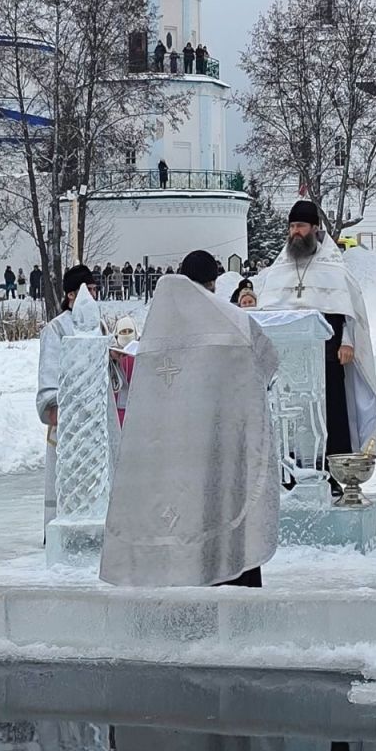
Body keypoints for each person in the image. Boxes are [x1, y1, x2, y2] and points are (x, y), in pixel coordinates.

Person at [99, 250, 280, 588]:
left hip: (169, 449)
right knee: (220, 510)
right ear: (213, 282)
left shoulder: (158, 325)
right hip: (217, 446)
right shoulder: (235, 322)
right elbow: (269, 364)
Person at [256, 201, 376, 471]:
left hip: (328, 359)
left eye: (300, 226)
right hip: (290, 365)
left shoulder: (334, 268)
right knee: (293, 420)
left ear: (315, 228)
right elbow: (266, 313)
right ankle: (294, 474)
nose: (294, 232)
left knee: (332, 415)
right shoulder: (279, 270)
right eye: (291, 227)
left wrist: (348, 342)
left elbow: (349, 313)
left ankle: (336, 472)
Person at [36, 264, 106, 533]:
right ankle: (60, 531)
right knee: (67, 479)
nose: (92, 295)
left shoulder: (96, 324)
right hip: (69, 417)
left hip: (95, 418)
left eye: (94, 289)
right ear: (71, 296)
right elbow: (49, 369)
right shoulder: (56, 328)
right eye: (86, 290)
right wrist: (53, 405)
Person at [109, 315, 140, 427]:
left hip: (138, 406)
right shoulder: (110, 355)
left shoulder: (142, 352)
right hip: (118, 407)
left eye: (130, 331)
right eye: (123, 332)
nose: (127, 334)